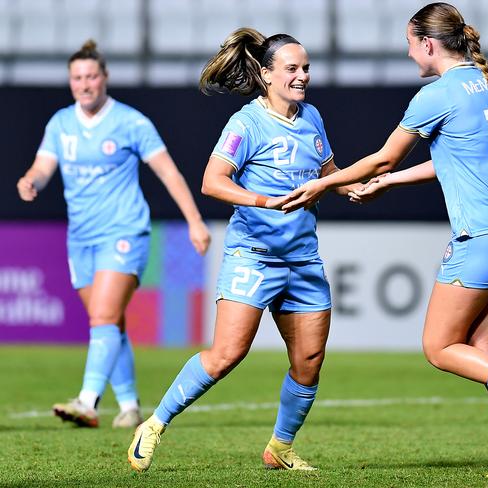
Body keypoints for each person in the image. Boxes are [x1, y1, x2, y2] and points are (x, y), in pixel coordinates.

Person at [282, 2, 488, 479]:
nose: (410, 53)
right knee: (484, 350)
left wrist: (322, 184)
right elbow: (452, 160)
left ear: (428, 44)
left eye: (410, 44)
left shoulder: (437, 94)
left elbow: (381, 158)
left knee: (439, 348)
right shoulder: (485, 85)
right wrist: (391, 184)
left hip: (483, 238)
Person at [127, 28, 356, 473]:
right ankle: (154, 423)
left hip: (303, 260)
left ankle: (280, 448)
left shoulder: (312, 118)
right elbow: (212, 182)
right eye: (292, 68)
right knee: (226, 354)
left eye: (306, 67)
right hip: (254, 254)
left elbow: (329, 172)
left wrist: (355, 186)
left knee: (308, 363)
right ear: (267, 74)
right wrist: (262, 200)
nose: (303, 75)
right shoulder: (246, 124)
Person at [16, 40, 211, 429]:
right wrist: (30, 179)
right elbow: (43, 165)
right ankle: (129, 405)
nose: (84, 84)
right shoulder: (60, 123)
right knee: (110, 322)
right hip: (81, 239)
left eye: (91, 76)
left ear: (104, 78)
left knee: (104, 315)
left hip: (124, 232)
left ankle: (88, 401)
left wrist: (194, 220)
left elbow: (168, 172)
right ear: (70, 82)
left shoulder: (131, 122)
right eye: (77, 78)